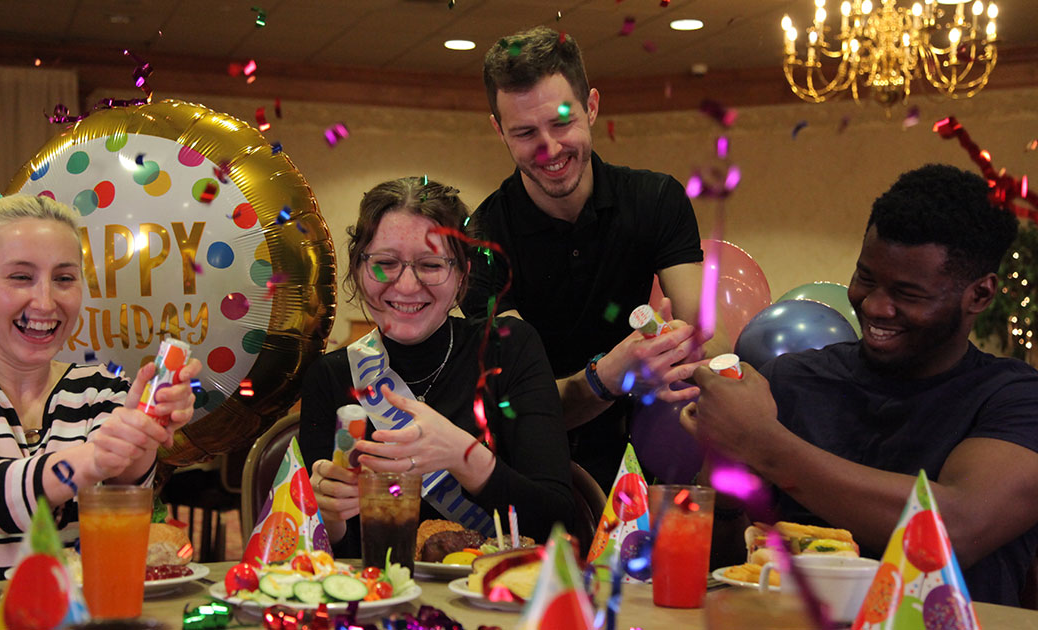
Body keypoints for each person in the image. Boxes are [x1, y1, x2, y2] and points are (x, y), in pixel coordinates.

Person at [683, 164, 1038, 606]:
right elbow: (725, 567)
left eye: (908, 294)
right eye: (866, 278)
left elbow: (955, 529)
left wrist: (762, 443)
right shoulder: (790, 380)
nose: (873, 306)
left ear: (980, 296)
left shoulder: (1014, 399)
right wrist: (724, 483)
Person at [0, 194, 202, 587]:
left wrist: (140, 437)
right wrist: (93, 458)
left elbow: (119, 522)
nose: (46, 302)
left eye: (64, 279)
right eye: (20, 277)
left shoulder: (99, 390)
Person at [462, 25, 717, 490]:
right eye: (524, 132)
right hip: (532, 474)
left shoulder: (656, 200)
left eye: (562, 123)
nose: (550, 149)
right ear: (498, 130)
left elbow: (698, 332)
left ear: (592, 106)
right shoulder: (481, 240)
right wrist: (608, 376)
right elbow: (522, 409)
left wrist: (675, 351)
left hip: (646, 458)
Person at [300, 176, 575, 554]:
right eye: (385, 263)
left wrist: (465, 456)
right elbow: (322, 555)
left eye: (430, 265)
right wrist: (327, 518)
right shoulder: (330, 376)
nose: (407, 286)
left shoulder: (509, 349)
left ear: (461, 275)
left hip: (499, 598)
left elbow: (559, 523)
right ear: (360, 270)